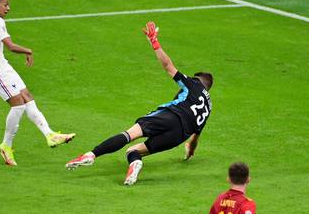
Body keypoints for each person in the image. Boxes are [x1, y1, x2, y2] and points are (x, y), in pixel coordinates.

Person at [66, 21, 213, 185]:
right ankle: (136, 163)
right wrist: (190, 152)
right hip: (178, 137)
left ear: (197, 80)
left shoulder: (193, 84)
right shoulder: (208, 106)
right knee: (133, 151)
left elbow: (168, 66)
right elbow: (195, 138)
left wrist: (154, 42)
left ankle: (91, 155)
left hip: (170, 117)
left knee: (129, 135)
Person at [0, 0, 75, 166]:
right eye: (5, 5)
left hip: (1, 66)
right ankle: (6, 145)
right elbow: (11, 46)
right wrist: (29, 51)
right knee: (18, 104)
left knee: (26, 95)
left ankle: (50, 135)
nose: (8, 8)